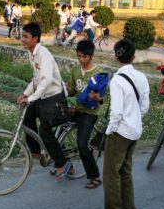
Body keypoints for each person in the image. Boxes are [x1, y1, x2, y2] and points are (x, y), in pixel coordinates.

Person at [17, 22, 73, 181]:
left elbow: (46, 80)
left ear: (35, 39)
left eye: (26, 37)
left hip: (54, 96)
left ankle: (62, 163)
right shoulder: (32, 53)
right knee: (28, 116)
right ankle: (36, 152)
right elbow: (36, 80)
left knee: (44, 129)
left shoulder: (44, 54)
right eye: (22, 36)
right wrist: (25, 94)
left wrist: (31, 98)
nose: (22, 39)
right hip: (44, 96)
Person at [103, 39, 150, 209]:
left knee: (111, 175)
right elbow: (144, 106)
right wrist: (135, 119)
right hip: (134, 131)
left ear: (117, 56)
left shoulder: (116, 80)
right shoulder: (141, 77)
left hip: (120, 133)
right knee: (125, 172)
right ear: (133, 56)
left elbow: (116, 112)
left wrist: (110, 130)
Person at [67, 40, 106, 189]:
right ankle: (63, 163)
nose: (81, 60)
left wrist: (98, 99)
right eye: (79, 56)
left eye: (84, 57)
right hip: (76, 108)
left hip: (90, 113)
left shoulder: (99, 74)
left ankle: (94, 176)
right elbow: (72, 91)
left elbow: (104, 98)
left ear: (91, 56)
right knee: (53, 123)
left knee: (82, 145)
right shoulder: (75, 70)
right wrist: (67, 88)